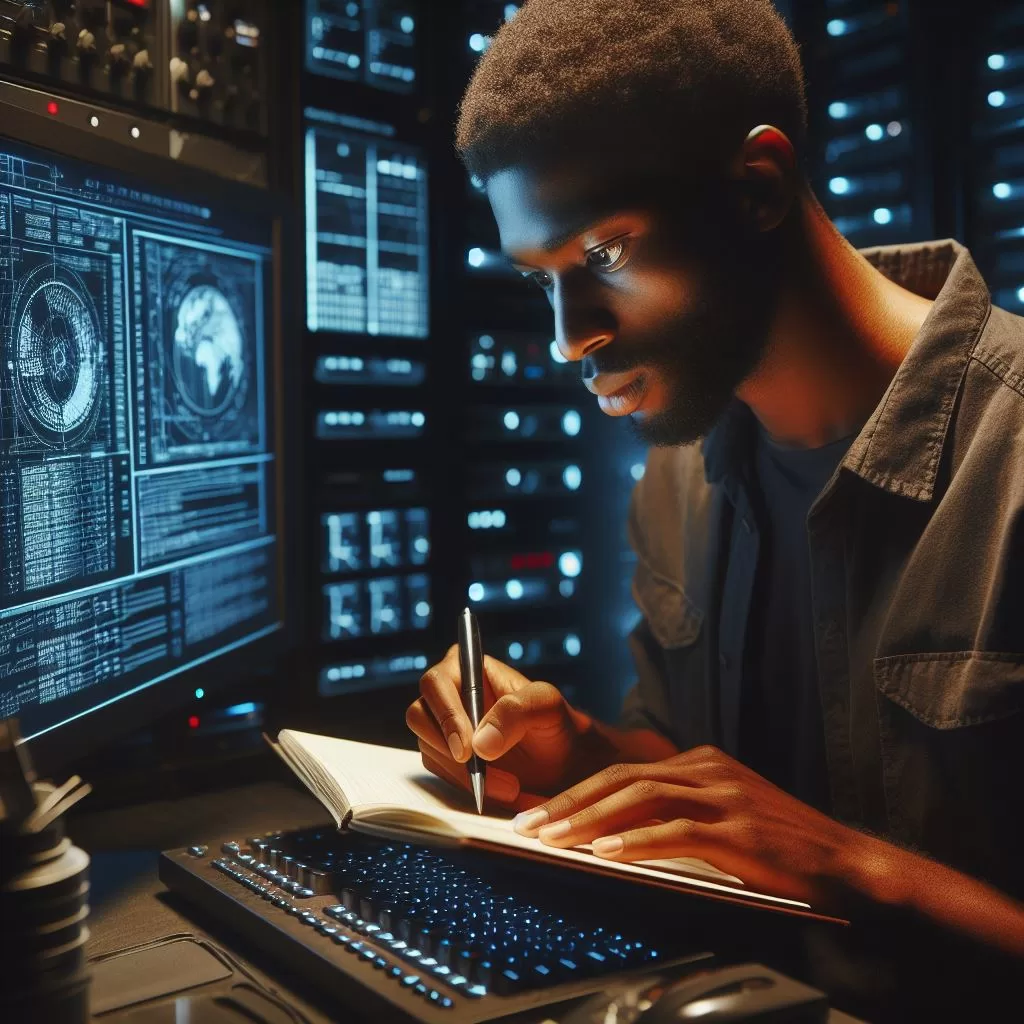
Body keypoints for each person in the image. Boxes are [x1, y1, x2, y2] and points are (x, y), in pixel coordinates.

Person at [406, 0, 1024, 1011]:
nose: (569, 337)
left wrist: (855, 872)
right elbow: (705, 775)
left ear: (757, 187)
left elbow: (797, 843)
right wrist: (581, 751)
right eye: (542, 280)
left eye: (603, 255)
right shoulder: (679, 472)